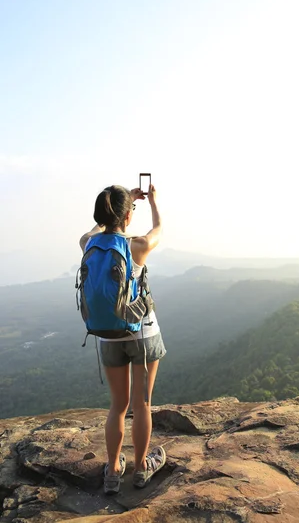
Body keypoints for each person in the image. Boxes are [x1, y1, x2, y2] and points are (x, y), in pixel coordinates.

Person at [79, 183, 166, 494]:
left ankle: (113, 469)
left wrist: (118, 206)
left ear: (101, 215)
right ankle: (142, 467)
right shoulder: (138, 245)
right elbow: (158, 228)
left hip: (108, 334)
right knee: (142, 404)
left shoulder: (88, 244)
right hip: (142, 332)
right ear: (128, 216)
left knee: (118, 406)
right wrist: (151, 201)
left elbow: (100, 229)